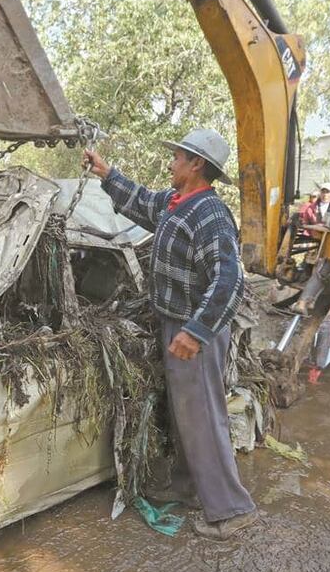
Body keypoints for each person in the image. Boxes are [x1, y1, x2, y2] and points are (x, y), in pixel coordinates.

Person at [82, 128, 258, 540]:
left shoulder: (210, 215)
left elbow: (229, 281)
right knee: (185, 416)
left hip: (194, 331)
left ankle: (232, 509)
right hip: (175, 325)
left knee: (202, 417)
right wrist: (106, 173)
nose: (171, 163)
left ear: (196, 164)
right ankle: (189, 486)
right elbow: (142, 201)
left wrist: (196, 331)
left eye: (177, 157)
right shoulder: (177, 203)